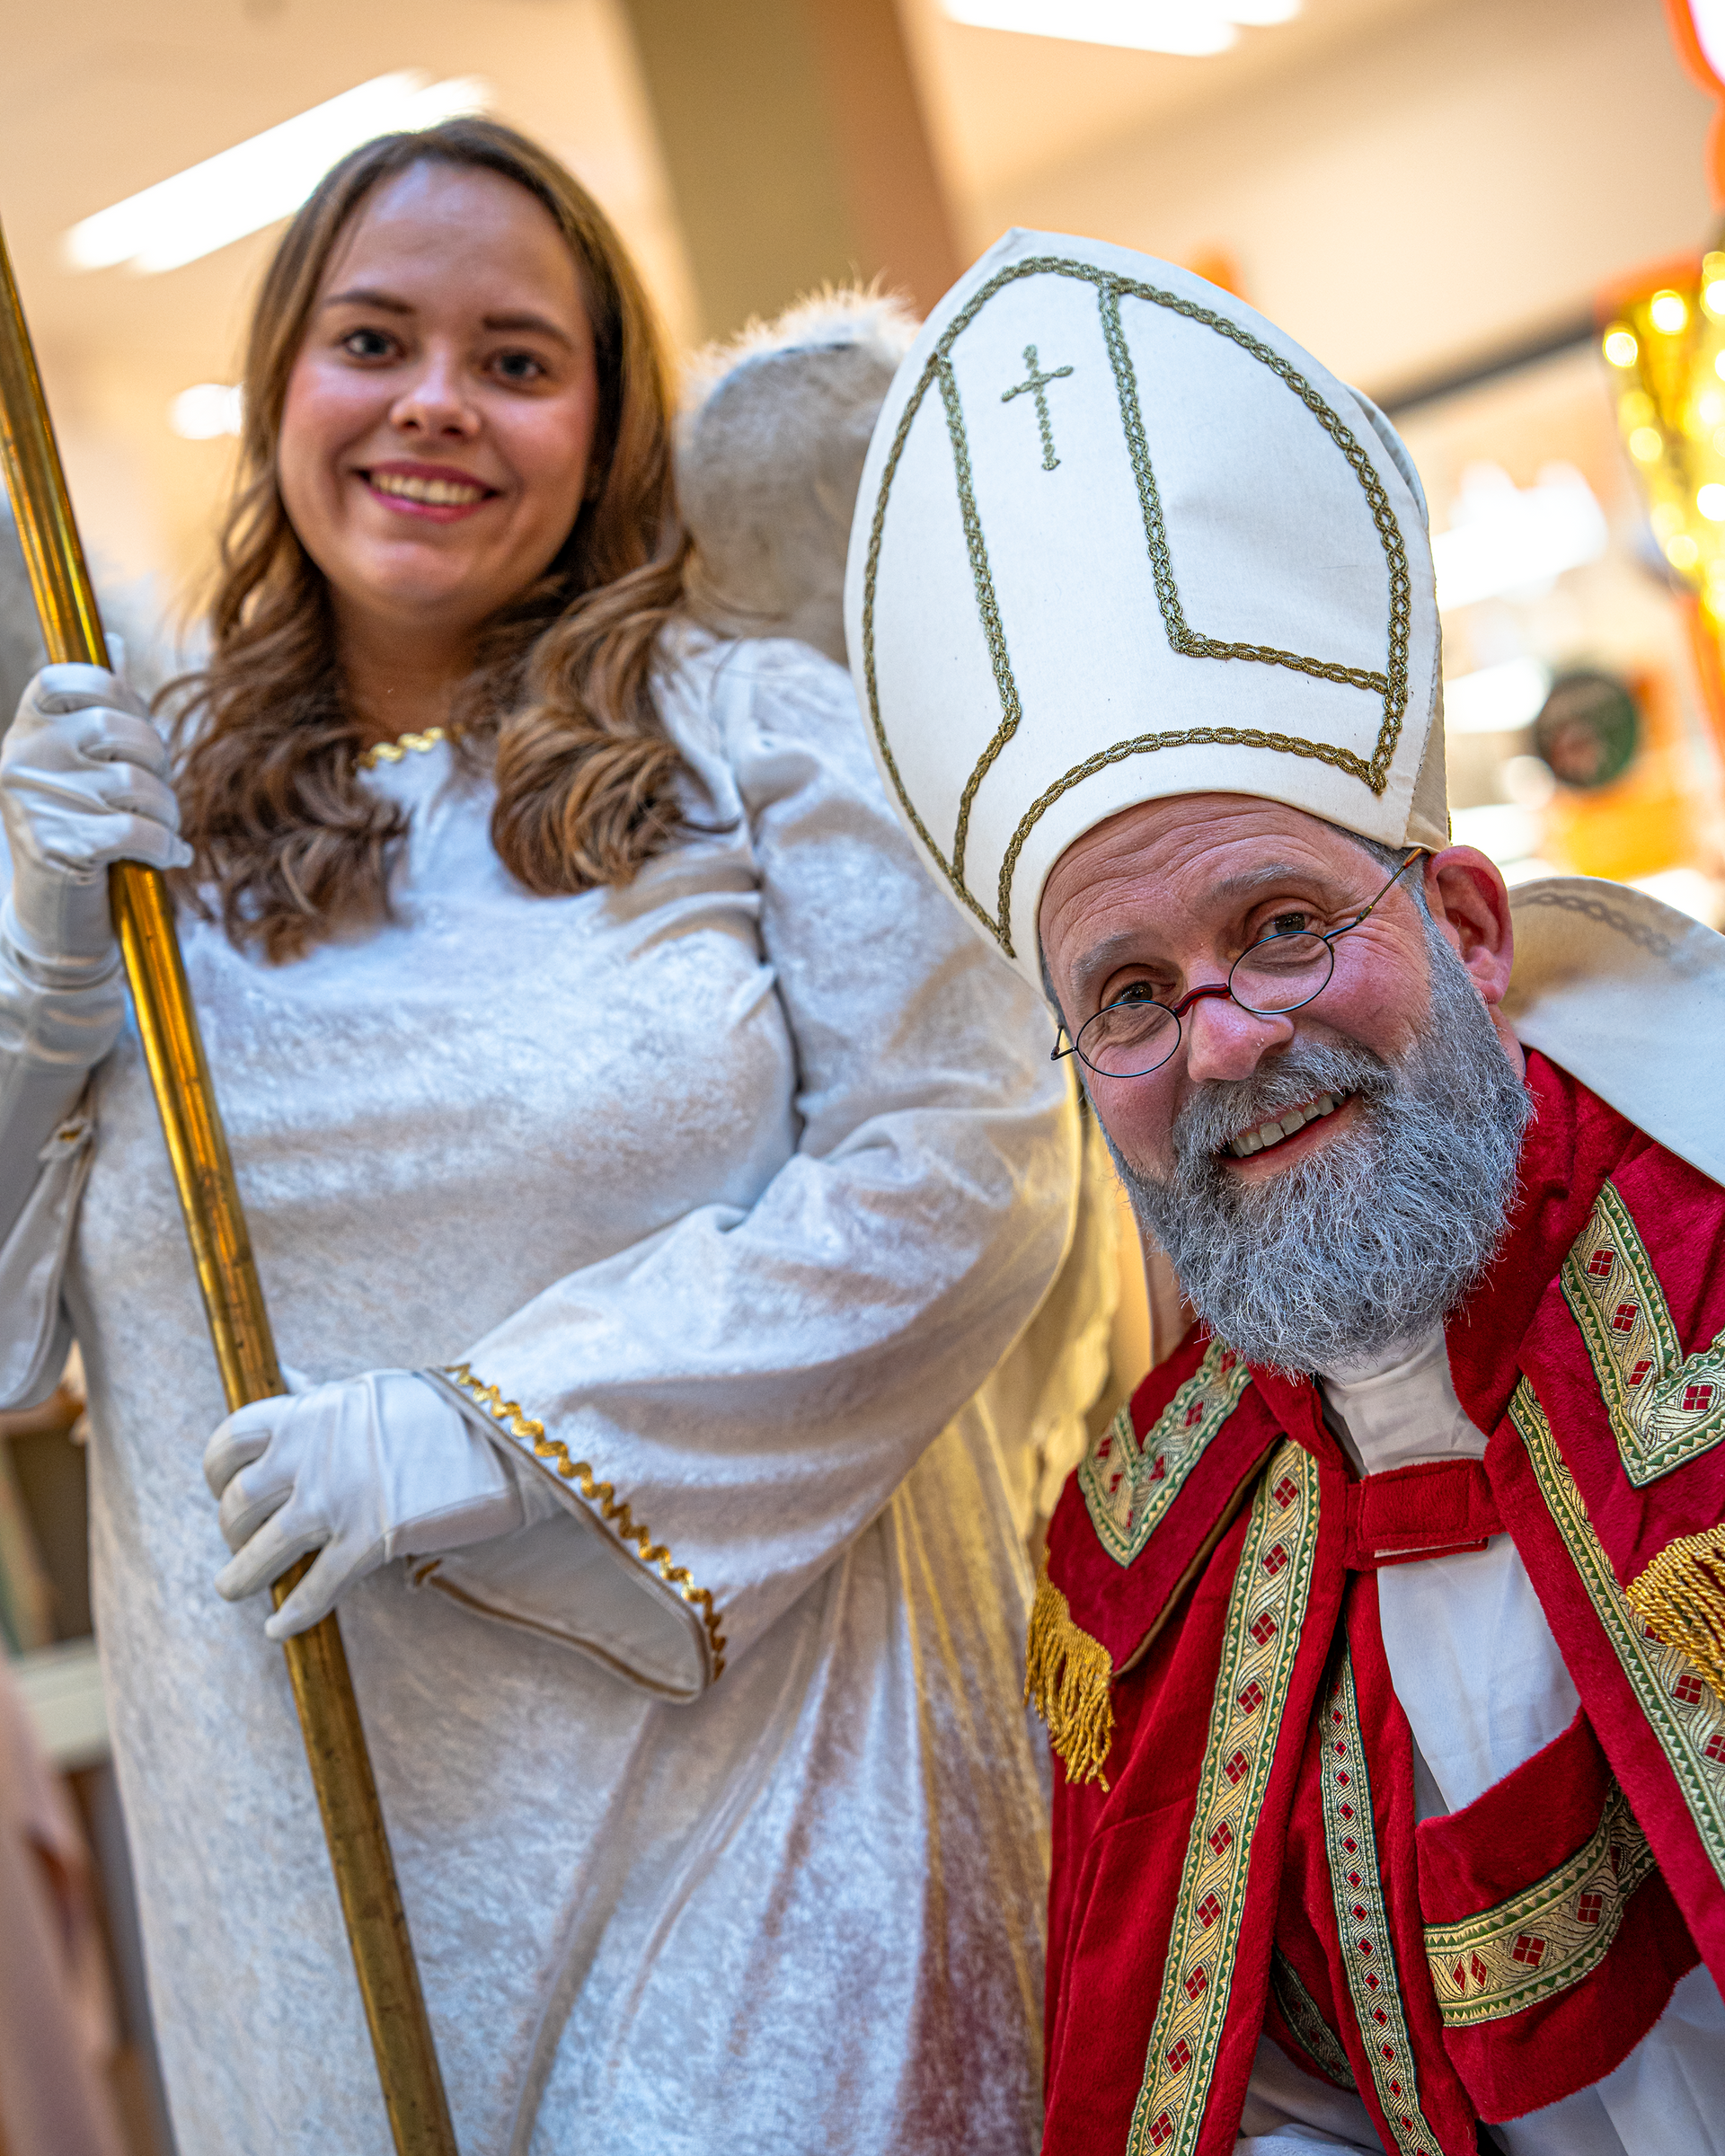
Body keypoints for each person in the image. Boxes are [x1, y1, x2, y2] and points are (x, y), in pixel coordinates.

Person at [0, 128, 1085, 2154]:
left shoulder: (756, 733)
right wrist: (41, 958)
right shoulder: (146, 842)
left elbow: (965, 1167)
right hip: (320, 1868)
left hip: (762, 1810)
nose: (435, 403)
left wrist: (497, 1429)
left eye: (516, 360)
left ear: (604, 427)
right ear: (281, 389)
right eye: (373, 341)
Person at [846, 225, 1725, 2155]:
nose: (1228, 1042)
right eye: (1136, 996)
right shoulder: (1137, 1559)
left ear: (1472, 927)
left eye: (1282, 925)